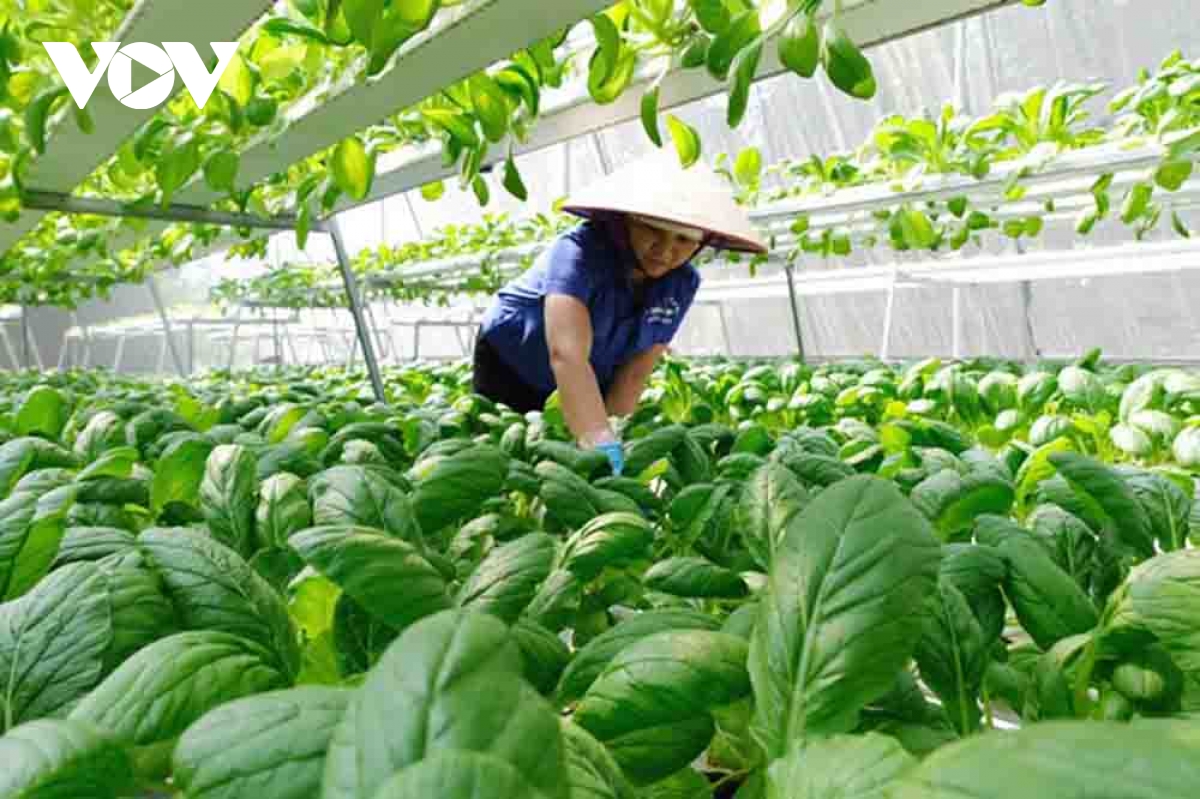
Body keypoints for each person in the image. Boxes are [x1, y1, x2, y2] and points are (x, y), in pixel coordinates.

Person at [472, 151, 767, 475]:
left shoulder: (682, 283)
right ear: (626, 221)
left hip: (588, 373)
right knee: (508, 459)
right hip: (512, 360)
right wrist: (600, 443)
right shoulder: (578, 252)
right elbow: (566, 355)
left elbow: (635, 372)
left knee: (577, 461)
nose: (666, 250)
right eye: (653, 230)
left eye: (684, 239)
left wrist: (611, 440)